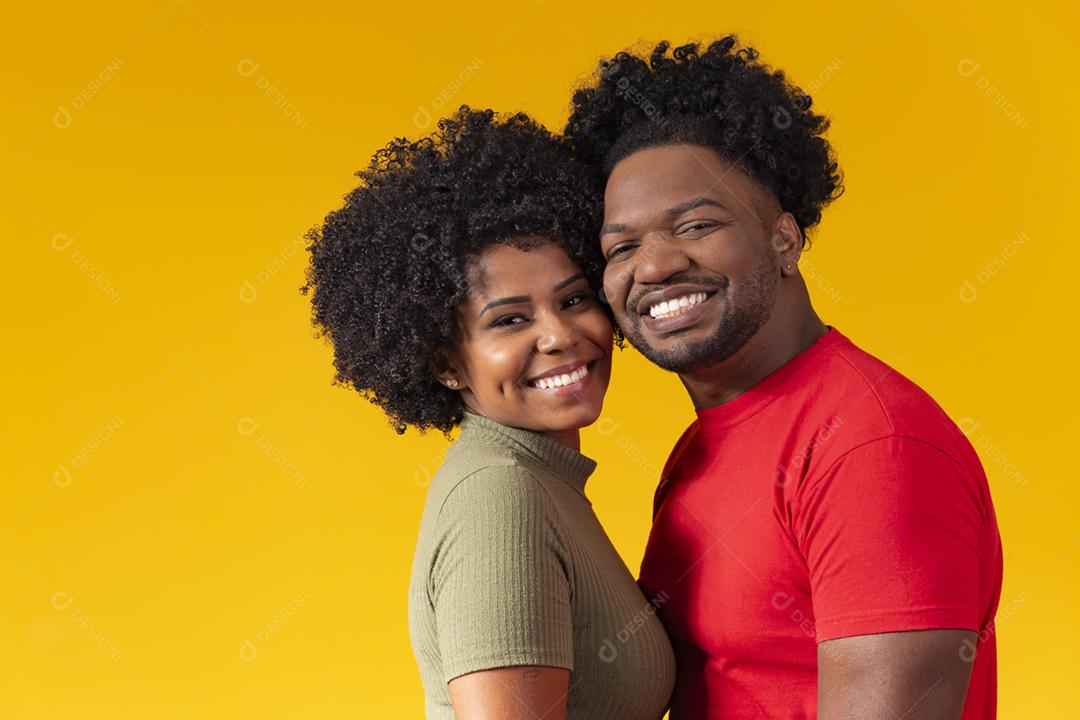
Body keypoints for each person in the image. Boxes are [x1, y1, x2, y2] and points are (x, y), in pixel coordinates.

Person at [564, 37, 1003, 720]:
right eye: (621, 247)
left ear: (784, 240)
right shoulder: (705, 445)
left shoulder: (872, 448)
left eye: (697, 224)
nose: (652, 267)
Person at [301, 106, 675, 720]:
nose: (559, 336)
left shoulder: (541, 480)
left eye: (574, 298)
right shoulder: (501, 496)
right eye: (510, 320)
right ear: (446, 363)